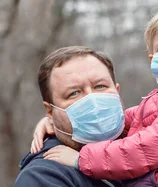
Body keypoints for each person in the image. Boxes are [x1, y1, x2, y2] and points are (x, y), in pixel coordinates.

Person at [33, 7, 158, 186]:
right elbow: (122, 122)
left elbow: (145, 148)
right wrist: (59, 121)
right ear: (152, 58)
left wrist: (81, 160)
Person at [14, 46, 123, 187]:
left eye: (100, 86)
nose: (93, 101)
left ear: (117, 91)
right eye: (74, 93)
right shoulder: (43, 177)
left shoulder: (145, 143)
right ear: (50, 111)